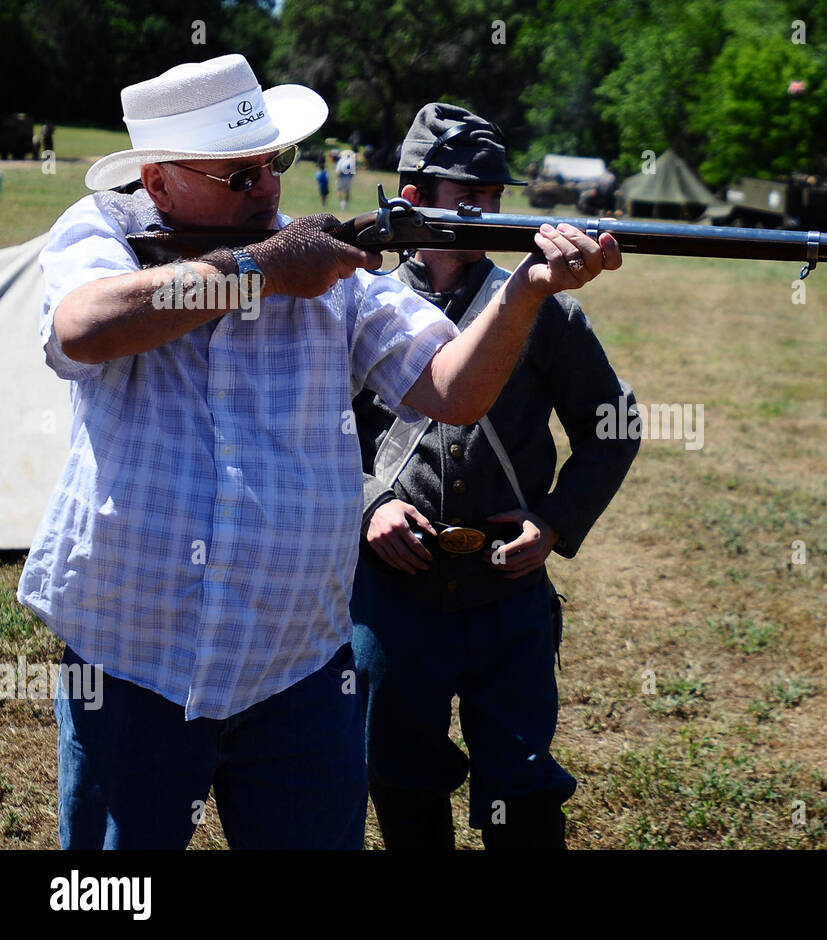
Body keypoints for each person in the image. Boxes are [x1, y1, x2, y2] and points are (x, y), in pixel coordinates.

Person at [16, 54, 621, 850]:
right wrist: (257, 273)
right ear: (157, 184)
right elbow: (84, 329)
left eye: (272, 163)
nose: (266, 189)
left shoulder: (326, 263)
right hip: (131, 660)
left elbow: (453, 391)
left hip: (297, 666)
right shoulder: (109, 234)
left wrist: (526, 292)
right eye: (237, 176)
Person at [350, 102, 640, 851]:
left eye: (496, 196)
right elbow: (310, 430)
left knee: (522, 785)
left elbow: (613, 427)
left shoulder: (543, 307)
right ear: (412, 198)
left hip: (506, 594)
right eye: (467, 197)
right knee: (401, 774)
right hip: (393, 591)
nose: (489, 212)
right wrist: (368, 503)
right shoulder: (361, 303)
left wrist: (553, 523)